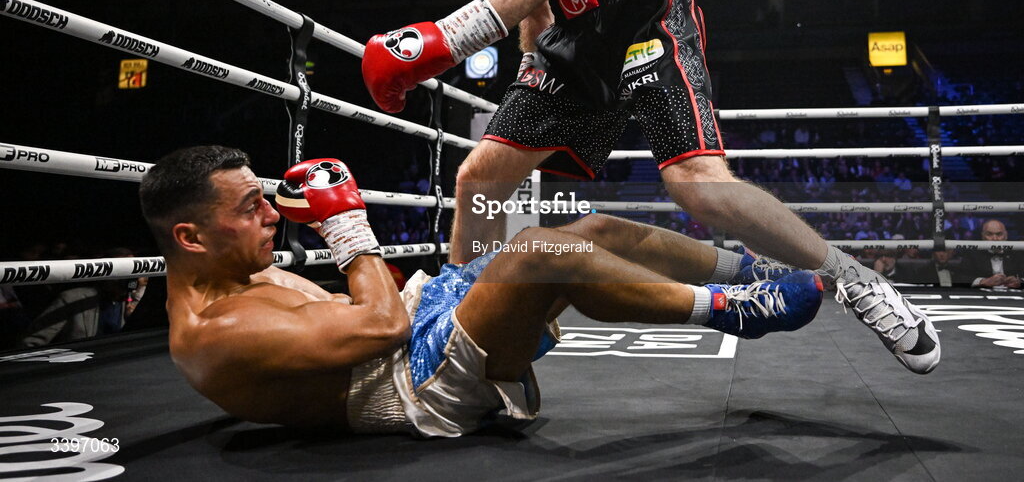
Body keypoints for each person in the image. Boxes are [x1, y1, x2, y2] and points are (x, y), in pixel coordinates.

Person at [349, 0, 940, 374]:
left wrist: (437, 43)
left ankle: (855, 280)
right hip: (571, 38)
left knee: (696, 184)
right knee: (481, 182)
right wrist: (529, 67)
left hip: (637, 6)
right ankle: (463, 340)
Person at [140, 146, 823, 436]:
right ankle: (736, 312)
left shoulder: (244, 272)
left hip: (413, 319)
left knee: (592, 227)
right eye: (251, 206)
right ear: (191, 237)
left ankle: (744, 271)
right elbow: (381, 332)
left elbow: (366, 311)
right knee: (539, 251)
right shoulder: (211, 334)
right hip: (405, 381)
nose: (270, 214)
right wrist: (346, 228)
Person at [957, 219, 1023, 289]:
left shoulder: (1017, 252)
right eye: (989, 234)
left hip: (1013, 294)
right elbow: (961, 277)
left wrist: (1019, 282)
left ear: (1006, 236)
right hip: (982, 296)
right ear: (982, 236)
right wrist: (983, 281)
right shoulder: (973, 253)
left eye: (999, 234)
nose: (994, 238)